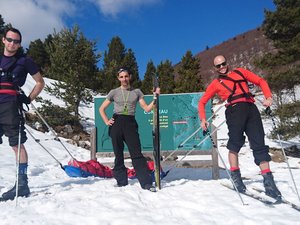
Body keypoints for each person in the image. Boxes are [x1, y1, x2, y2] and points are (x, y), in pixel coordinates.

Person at [198, 55, 281, 199]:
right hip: (234, 111)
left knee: (259, 144)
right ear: (215, 68)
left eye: (223, 63)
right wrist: (203, 119)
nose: (222, 67)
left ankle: (269, 182)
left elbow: (261, 81)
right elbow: (202, 102)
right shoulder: (216, 83)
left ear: (227, 63)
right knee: (235, 144)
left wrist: (268, 97)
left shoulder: (241, 72)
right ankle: (236, 178)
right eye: (218, 66)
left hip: (251, 108)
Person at [0, 27, 45, 201]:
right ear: (4, 40)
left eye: (16, 41)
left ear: (19, 44)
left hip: (11, 106)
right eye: (10, 40)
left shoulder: (25, 61)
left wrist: (28, 99)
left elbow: (40, 82)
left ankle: (22, 184)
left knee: (16, 144)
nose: (12, 43)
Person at [99, 68, 159, 192]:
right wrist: (106, 121)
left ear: (130, 77)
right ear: (118, 78)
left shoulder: (137, 92)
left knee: (136, 153)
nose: (124, 79)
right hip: (116, 123)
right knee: (118, 154)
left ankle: (146, 183)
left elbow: (147, 109)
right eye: (121, 77)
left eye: (126, 76)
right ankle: (121, 182)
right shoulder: (114, 92)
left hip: (130, 123)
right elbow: (101, 109)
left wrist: (155, 97)